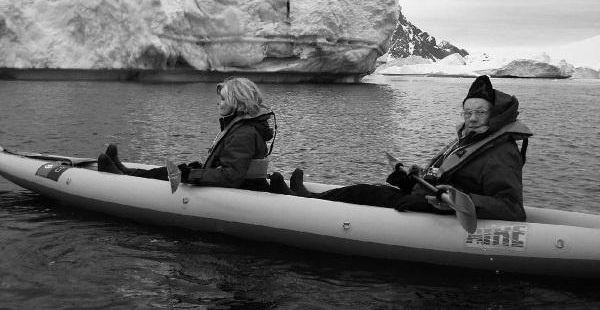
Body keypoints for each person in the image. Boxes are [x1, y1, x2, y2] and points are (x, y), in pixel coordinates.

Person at [274, 75, 532, 221]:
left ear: (495, 115)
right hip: (431, 202)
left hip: (444, 212)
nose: (472, 118)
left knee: (367, 193)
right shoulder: (471, 141)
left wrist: (455, 199)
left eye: (479, 112)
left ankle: (306, 202)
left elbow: (511, 208)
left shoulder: (501, 152)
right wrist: (411, 180)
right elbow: (449, 179)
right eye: (468, 112)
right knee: (370, 190)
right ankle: (309, 198)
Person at [97, 77, 281, 192]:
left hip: (242, 189)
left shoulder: (244, 133)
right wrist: (200, 168)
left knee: (173, 174)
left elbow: (231, 176)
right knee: (167, 171)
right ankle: (125, 172)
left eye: (223, 99)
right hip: (243, 184)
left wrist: (193, 175)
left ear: (238, 104)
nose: (219, 103)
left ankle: (121, 178)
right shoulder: (243, 128)